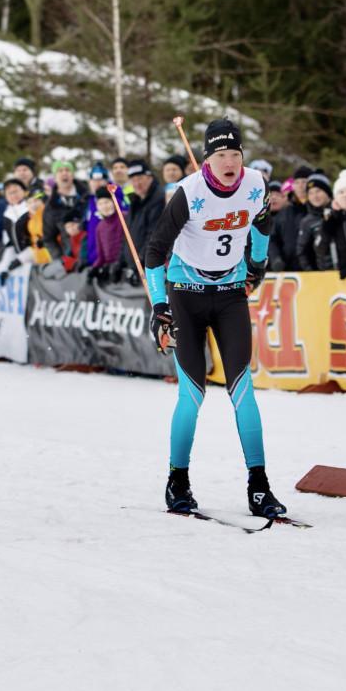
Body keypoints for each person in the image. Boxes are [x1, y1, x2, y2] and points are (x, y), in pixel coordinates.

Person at [142, 118, 285, 520]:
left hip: (229, 294)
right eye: (221, 155)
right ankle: (178, 480)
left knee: (243, 389)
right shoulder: (189, 193)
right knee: (193, 392)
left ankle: (259, 486)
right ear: (208, 158)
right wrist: (158, 305)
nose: (229, 162)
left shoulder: (256, 183)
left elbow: (262, 221)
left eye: (235, 154)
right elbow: (154, 249)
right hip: (185, 294)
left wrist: (257, 262)